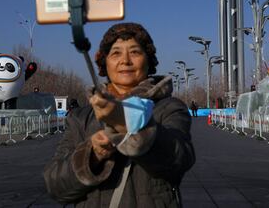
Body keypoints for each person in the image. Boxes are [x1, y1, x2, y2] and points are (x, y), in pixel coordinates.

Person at [44, 22, 195, 207]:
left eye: (135, 52)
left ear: (149, 60)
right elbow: (56, 186)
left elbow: (178, 161)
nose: (125, 60)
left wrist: (127, 124)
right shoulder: (79, 118)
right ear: (104, 62)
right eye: (116, 53)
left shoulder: (169, 108)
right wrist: (93, 154)